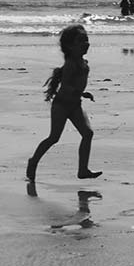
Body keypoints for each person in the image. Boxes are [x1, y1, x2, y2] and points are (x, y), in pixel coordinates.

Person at [26, 24, 102, 184]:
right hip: (61, 106)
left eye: (87, 40)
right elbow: (66, 86)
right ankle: (33, 161)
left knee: (88, 134)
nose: (86, 43)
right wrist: (77, 92)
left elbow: (75, 86)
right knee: (54, 138)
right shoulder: (70, 64)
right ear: (70, 46)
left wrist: (82, 94)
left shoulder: (84, 62)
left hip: (75, 105)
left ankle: (83, 170)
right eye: (81, 41)